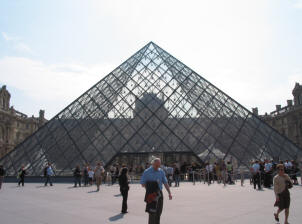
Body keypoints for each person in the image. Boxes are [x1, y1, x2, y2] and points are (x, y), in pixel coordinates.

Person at [141, 158, 172, 224]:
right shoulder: (147, 172)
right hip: (151, 194)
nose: (157, 167)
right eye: (156, 165)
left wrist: (169, 193)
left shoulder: (161, 171)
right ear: (153, 164)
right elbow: (143, 184)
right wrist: (150, 189)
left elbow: (165, 183)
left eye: (159, 165)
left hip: (159, 193)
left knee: (158, 212)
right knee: (152, 212)